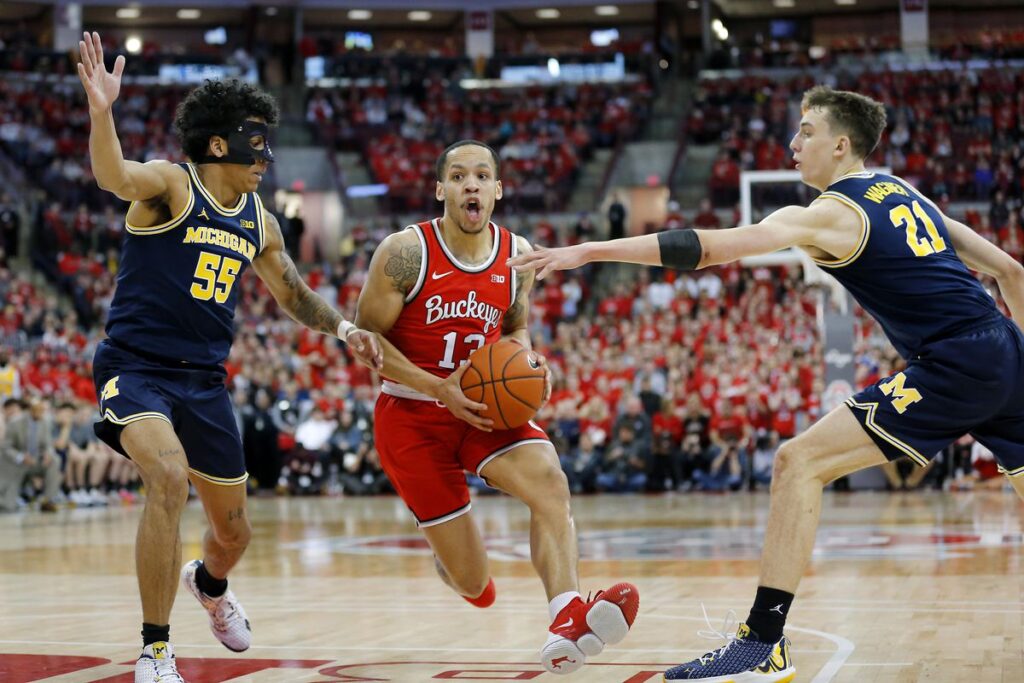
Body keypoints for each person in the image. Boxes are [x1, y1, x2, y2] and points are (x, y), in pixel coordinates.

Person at [509, 85, 1024, 681]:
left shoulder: (831, 213)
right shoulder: (907, 195)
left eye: (806, 131)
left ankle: (762, 642)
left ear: (840, 143)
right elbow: (1010, 270)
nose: (792, 143)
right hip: (1007, 349)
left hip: (957, 360)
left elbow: (709, 250)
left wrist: (589, 251)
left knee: (797, 463)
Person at [76, 32, 382, 683]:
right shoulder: (171, 184)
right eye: (256, 141)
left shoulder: (261, 220)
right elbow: (113, 175)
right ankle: (155, 649)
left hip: (205, 383)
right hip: (135, 368)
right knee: (166, 474)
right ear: (219, 143)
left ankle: (209, 583)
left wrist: (345, 327)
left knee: (235, 533)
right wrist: (103, 113)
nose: (265, 156)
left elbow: (293, 293)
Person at [354, 140, 639, 676]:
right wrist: (439, 389)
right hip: (413, 415)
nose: (471, 185)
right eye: (459, 176)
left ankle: (566, 617)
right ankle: (450, 559)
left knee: (550, 482)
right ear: (440, 189)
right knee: (475, 584)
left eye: (482, 176)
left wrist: (529, 360)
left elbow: (513, 327)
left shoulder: (517, 255)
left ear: (498, 189)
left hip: (485, 408)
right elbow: (366, 342)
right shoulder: (403, 253)